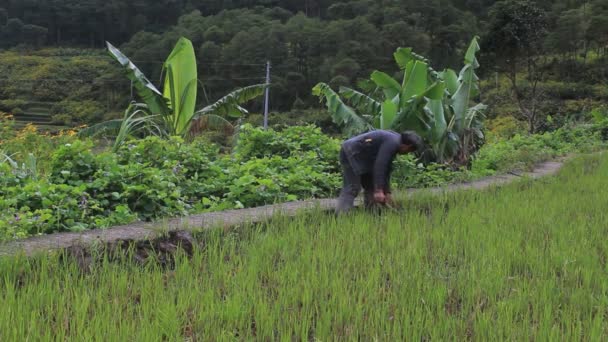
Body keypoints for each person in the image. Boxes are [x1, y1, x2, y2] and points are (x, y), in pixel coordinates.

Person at [336, 130, 423, 213]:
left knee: (371, 186)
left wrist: (387, 191)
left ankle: (373, 214)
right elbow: (380, 165)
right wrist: (379, 190)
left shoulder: (394, 142)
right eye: (409, 151)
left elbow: (387, 168)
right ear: (408, 145)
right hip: (350, 152)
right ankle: (342, 216)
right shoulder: (392, 142)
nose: (407, 153)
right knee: (352, 187)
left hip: (363, 157)